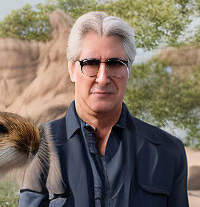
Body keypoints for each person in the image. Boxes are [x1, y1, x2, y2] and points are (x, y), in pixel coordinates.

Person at [18, 11, 189, 207]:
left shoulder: (168, 151)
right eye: (90, 63)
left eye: (115, 63)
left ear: (128, 70)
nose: (102, 78)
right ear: (72, 69)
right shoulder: (41, 146)